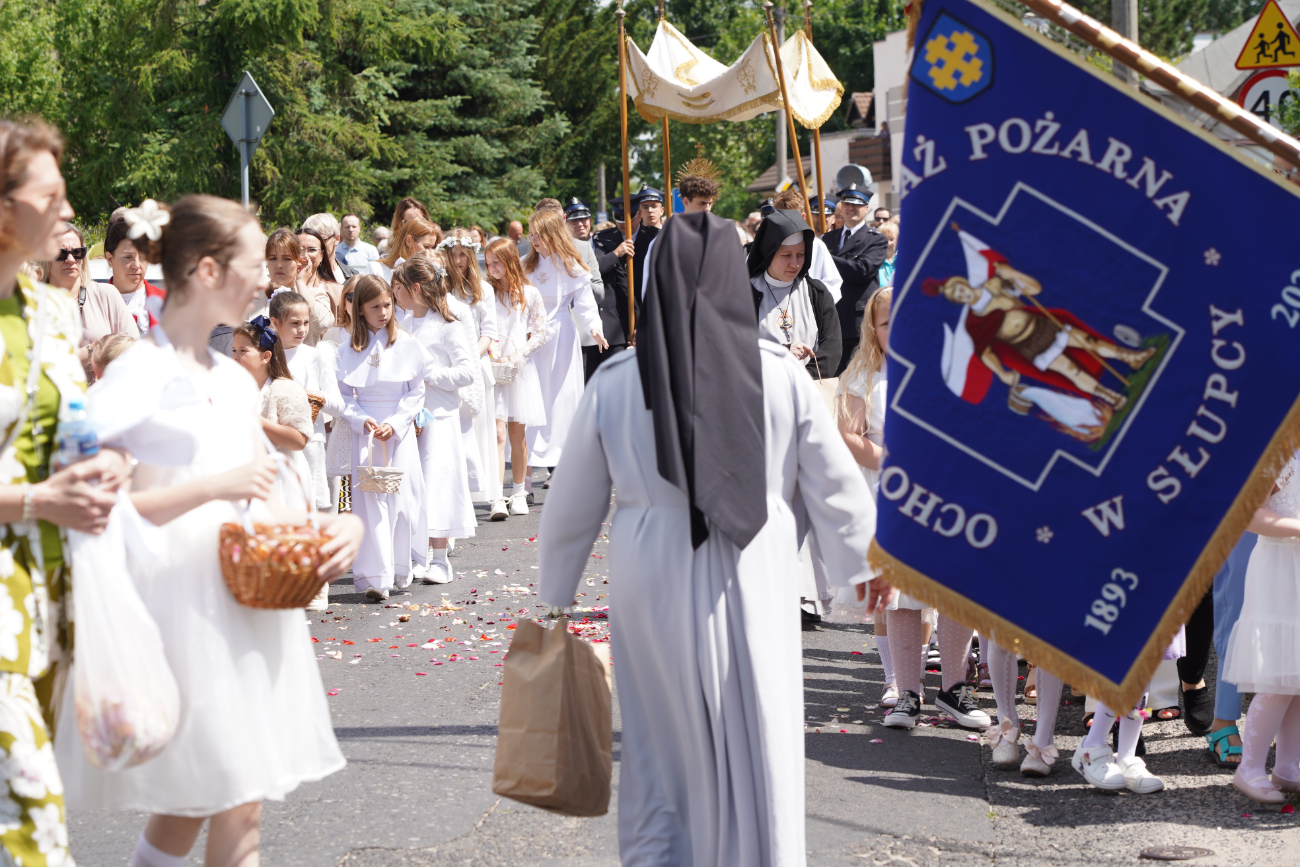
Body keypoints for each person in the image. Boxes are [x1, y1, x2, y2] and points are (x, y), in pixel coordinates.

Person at [538, 210, 891, 866]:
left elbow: (572, 501)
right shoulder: (782, 373)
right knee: (760, 724)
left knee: (659, 738)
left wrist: (553, 597)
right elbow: (834, 483)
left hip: (652, 566)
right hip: (755, 564)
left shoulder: (618, 377)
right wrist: (862, 563)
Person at [70, 193, 362, 866]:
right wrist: (212, 488)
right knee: (227, 794)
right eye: (253, 263)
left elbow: (264, 496)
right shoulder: (138, 375)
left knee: (215, 799)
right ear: (206, 271)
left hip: (241, 605)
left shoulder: (233, 381)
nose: (266, 278)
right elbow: (92, 508)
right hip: (180, 617)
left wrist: (333, 526)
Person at [0, 117, 128, 867]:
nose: (65, 209)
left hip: (49, 590)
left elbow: (67, 430)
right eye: (49, 193)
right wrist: (40, 498)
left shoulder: (50, 308)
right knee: (36, 817)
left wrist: (105, 463)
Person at [336, 275, 431, 602]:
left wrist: (398, 421)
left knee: (401, 499)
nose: (383, 312)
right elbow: (344, 396)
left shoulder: (405, 343)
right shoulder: (347, 349)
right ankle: (374, 576)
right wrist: (362, 419)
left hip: (397, 430)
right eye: (374, 306)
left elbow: (416, 391)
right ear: (359, 309)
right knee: (369, 502)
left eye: (388, 305)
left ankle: (399, 568)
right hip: (367, 432)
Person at [389, 258, 476, 584]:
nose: (395, 293)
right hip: (409, 417)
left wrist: (430, 374)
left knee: (438, 484)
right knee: (414, 486)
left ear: (414, 288)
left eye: (399, 287)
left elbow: (466, 371)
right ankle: (416, 554)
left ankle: (440, 558)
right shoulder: (404, 324)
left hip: (438, 417)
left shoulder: (447, 325)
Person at [1222, 455, 1300, 803]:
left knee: (1296, 677)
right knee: (1277, 679)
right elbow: (1248, 514)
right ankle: (1249, 767)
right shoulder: (1283, 456)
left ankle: (1288, 765)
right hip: (1281, 568)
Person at [522, 209, 607, 476]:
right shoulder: (526, 264)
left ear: (553, 234)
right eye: (532, 235)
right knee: (533, 398)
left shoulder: (571, 263)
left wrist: (594, 327)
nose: (534, 240)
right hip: (531, 337)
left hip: (562, 335)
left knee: (563, 397)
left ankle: (562, 461)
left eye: (539, 235)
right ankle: (525, 468)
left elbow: (585, 303)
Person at [438, 228, 502, 513]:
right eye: (454, 255)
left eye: (464, 254)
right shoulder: (441, 286)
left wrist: (470, 358)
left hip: (476, 364)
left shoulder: (484, 289)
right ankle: (459, 495)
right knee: (458, 433)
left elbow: (489, 331)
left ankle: (493, 492)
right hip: (449, 368)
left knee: (483, 430)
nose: (459, 260)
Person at [484, 238, 548, 519]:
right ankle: (497, 495)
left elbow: (540, 333)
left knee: (517, 434)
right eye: (488, 263)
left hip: (519, 369)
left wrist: (518, 355)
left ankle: (519, 490)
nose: (492, 268)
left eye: (496, 262)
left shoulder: (529, 293)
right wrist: (491, 350)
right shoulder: (487, 293)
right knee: (497, 434)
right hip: (495, 367)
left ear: (509, 260)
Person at [271, 290, 346, 519]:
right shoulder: (267, 356)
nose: (302, 330)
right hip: (276, 442)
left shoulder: (316, 356)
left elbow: (338, 405)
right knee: (281, 504)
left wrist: (315, 397)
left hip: (310, 441)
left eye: (305, 323)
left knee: (307, 506)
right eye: (294, 324)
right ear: (275, 322)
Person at [231, 316, 314, 510]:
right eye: (234, 350)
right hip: (243, 476)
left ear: (265, 357)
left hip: (279, 481)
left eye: (243, 351)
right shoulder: (233, 389)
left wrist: (257, 422)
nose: (235, 356)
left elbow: (299, 440)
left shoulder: (285, 389)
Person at [747, 210, 841, 379]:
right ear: (769, 254)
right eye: (786, 255)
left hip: (809, 390)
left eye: (801, 254)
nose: (795, 263)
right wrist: (783, 351)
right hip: (763, 390)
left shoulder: (816, 292)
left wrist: (803, 379)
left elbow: (832, 347)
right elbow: (737, 347)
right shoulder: (746, 293)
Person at [41, 222, 138, 381]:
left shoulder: (106, 294)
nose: (71, 259)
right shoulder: (33, 301)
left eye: (77, 252)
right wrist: (90, 351)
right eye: (61, 253)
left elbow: (134, 349)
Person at [821, 183, 888, 375]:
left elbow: (862, 271)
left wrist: (826, 258)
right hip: (831, 318)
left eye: (857, 204)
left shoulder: (876, 239)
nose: (851, 208)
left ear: (866, 208)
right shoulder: (828, 239)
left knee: (861, 377)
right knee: (833, 380)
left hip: (859, 322)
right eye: (847, 203)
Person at [771, 189, 843, 304]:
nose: (788, 223)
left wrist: (816, 304)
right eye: (782, 218)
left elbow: (832, 283)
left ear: (803, 216)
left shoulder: (816, 245)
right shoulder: (764, 246)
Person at [589, 201, 634, 379]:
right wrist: (616, 254)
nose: (623, 222)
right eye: (619, 218)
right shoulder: (604, 242)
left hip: (623, 323)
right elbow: (592, 270)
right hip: (604, 327)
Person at [103, 212, 167, 335]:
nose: (137, 265)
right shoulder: (94, 303)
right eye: (128, 257)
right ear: (110, 259)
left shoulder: (167, 302)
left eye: (143, 257)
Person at [295, 225, 342, 344]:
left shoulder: (336, 291)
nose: (305, 256)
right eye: (299, 249)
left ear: (321, 255)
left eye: (312, 250)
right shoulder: (280, 288)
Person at [370, 217, 439, 285]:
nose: (430, 252)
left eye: (432, 248)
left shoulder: (428, 274)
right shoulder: (376, 269)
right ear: (408, 241)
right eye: (426, 247)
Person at [630, 185, 664, 304]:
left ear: (662, 210)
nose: (650, 210)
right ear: (639, 212)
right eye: (645, 207)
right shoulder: (633, 237)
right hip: (638, 299)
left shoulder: (671, 235)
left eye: (654, 206)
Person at [302, 212, 355, 285]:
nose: (316, 246)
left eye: (321, 240)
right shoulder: (298, 275)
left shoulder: (352, 276)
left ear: (336, 239)